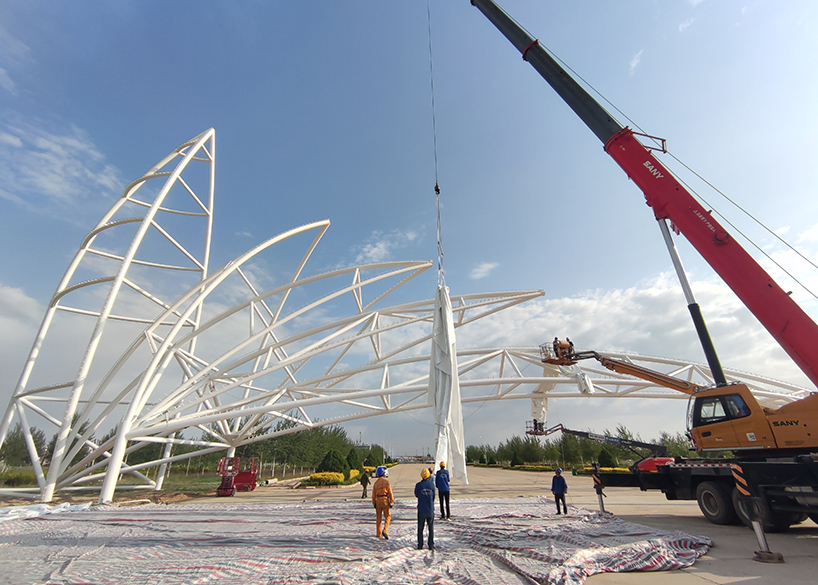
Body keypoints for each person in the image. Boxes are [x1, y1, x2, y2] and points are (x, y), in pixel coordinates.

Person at [415, 467, 435, 550]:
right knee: (431, 528)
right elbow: (433, 496)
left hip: (421, 510)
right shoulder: (431, 485)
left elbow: (416, 494)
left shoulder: (418, 485)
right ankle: (430, 545)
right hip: (430, 509)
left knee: (420, 528)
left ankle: (420, 545)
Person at [371, 466, 394, 539]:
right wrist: (392, 502)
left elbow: (373, 495)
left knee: (378, 518)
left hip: (378, 501)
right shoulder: (386, 482)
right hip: (385, 500)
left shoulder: (376, 483)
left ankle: (378, 534)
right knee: (388, 516)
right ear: (383, 473)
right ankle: (385, 530)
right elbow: (390, 493)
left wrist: (374, 503)